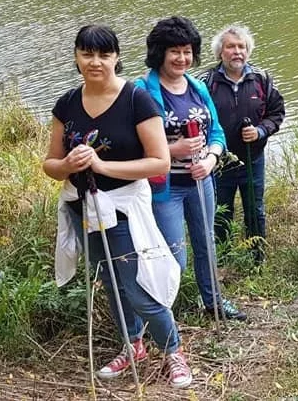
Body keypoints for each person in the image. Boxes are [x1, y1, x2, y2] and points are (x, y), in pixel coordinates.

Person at [45, 25, 191, 387]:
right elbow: (50, 164)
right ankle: (133, 344)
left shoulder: (137, 100)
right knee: (110, 282)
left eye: (104, 54)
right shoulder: (67, 103)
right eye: (87, 54)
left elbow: (159, 162)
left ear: (116, 58)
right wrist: (68, 166)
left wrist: (101, 166)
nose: (95, 62)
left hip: (125, 209)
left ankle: (173, 351)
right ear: (76, 57)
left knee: (139, 286)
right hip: (84, 208)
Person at [134, 16, 248, 321]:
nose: (182, 58)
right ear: (160, 52)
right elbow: (134, 144)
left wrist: (211, 159)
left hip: (201, 181)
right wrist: (174, 150)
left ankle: (214, 302)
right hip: (165, 187)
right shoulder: (142, 91)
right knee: (175, 255)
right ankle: (161, 314)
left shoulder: (197, 86)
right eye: (175, 51)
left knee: (206, 243)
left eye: (187, 51)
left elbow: (217, 133)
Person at [202, 24, 285, 265]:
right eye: (231, 47)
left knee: (255, 209)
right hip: (219, 162)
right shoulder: (205, 82)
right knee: (221, 211)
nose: (237, 51)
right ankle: (223, 259)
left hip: (252, 159)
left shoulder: (262, 79)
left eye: (242, 47)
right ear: (220, 52)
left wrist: (260, 131)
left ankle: (257, 259)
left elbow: (277, 113)